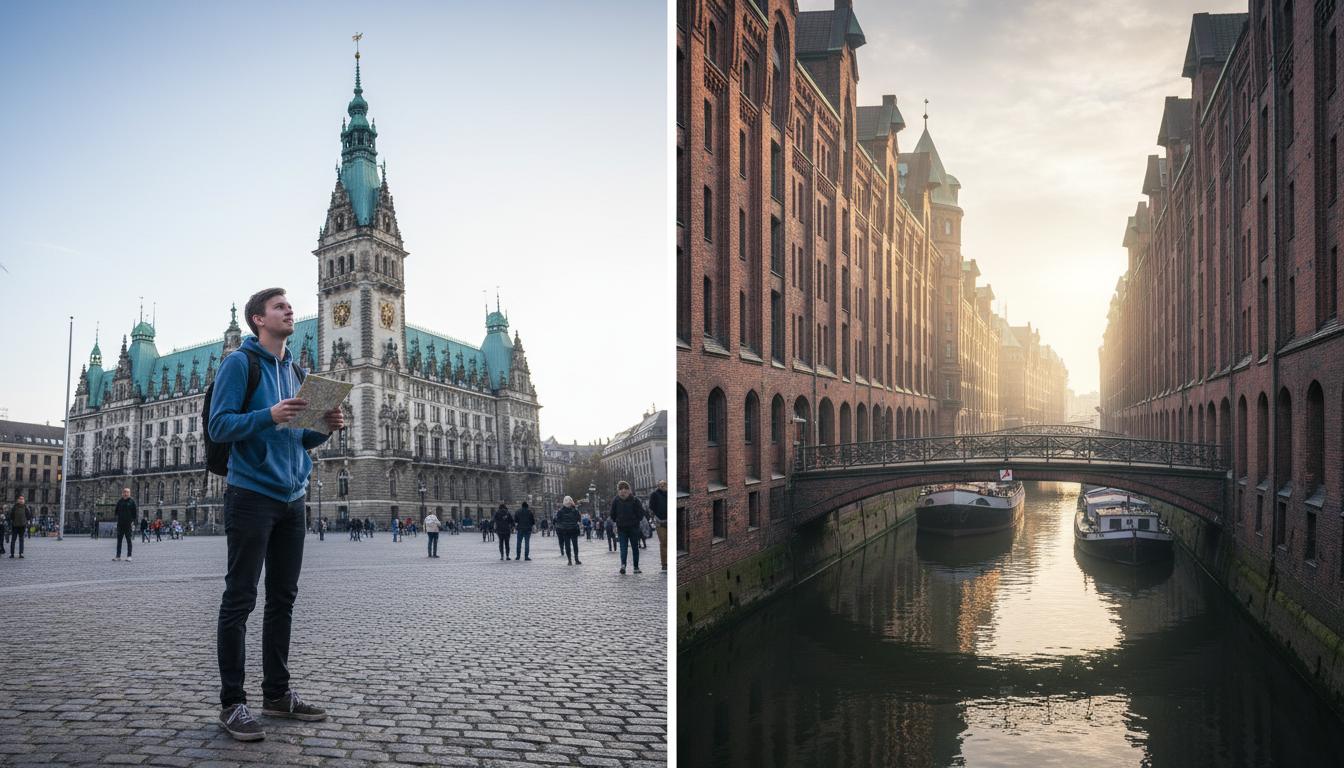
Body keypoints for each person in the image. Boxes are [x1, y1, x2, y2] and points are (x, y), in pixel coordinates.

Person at [208, 287, 345, 740]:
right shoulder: (238, 363)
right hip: (251, 495)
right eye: (279, 307)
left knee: (282, 599)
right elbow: (220, 425)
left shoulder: (296, 369)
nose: (290, 311)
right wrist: (268, 413)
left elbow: (298, 438)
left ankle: (277, 693)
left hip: (293, 498)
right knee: (240, 599)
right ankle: (232, 704)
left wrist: (324, 428)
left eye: (289, 306)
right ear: (257, 320)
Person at [609, 481, 645, 575]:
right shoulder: (633, 499)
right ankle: (634, 567)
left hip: (625, 527)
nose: (623, 491)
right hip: (630, 527)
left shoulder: (617, 500)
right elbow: (641, 513)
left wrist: (617, 520)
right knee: (632, 548)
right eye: (622, 489)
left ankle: (625, 565)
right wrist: (636, 519)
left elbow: (612, 514)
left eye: (624, 489)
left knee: (625, 548)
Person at [554, 496, 582, 566]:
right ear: (571, 502)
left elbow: (557, 520)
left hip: (565, 530)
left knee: (567, 545)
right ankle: (576, 559)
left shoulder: (560, 511)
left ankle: (569, 560)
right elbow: (579, 519)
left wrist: (563, 524)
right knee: (575, 545)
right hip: (574, 529)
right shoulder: (575, 510)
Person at [114, 488, 137, 562]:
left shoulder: (132, 502)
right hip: (120, 524)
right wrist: (117, 520)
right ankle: (118, 556)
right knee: (119, 541)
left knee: (129, 540)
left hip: (128, 524)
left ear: (129, 493)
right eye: (124, 492)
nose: (125, 493)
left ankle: (129, 556)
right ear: (122, 493)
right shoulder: (120, 501)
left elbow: (135, 514)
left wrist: (133, 522)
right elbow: (116, 512)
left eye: (127, 492)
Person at [649, 480, 668, 572]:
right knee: (664, 542)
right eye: (661, 484)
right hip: (660, 522)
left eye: (664, 484)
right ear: (658, 486)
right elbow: (651, 506)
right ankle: (664, 563)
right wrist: (655, 517)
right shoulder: (654, 494)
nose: (663, 485)